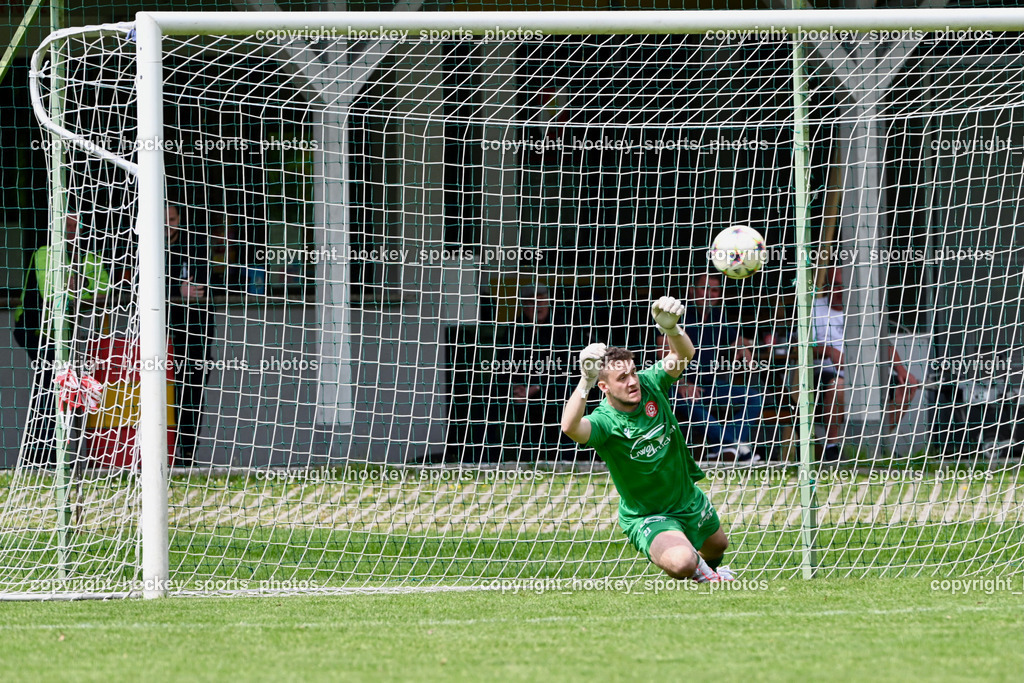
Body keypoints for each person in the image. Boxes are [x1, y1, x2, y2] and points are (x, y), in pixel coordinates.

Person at [560, 296, 734, 583]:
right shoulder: (606, 421)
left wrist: (672, 330)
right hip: (648, 515)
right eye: (621, 378)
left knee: (717, 546)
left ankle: (708, 570)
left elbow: (683, 356)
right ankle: (701, 571)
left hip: (686, 498)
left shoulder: (650, 383)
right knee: (682, 564)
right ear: (604, 386)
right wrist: (584, 381)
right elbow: (570, 427)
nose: (632, 381)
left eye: (632, 373)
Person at [14, 215, 110, 465]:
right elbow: (52, 291)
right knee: (48, 389)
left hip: (70, 336)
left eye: (75, 224)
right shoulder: (45, 253)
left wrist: (82, 283)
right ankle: (41, 456)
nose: (71, 229)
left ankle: (64, 454)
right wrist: (77, 284)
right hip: (37, 332)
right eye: (66, 223)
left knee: (70, 389)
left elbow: (105, 288)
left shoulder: (91, 257)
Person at [674, 273, 763, 462]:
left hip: (708, 386)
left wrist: (742, 345)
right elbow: (662, 352)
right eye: (704, 289)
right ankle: (736, 446)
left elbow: (735, 338)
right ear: (692, 291)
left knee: (754, 397)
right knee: (690, 400)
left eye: (714, 290)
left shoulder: (716, 316)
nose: (709, 294)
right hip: (677, 387)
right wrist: (681, 381)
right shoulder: (678, 315)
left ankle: (723, 449)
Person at [491, 285, 571, 461]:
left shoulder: (562, 328)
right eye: (532, 302)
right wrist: (515, 387)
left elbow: (566, 366)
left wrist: (535, 387)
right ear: (524, 306)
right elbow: (503, 363)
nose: (538, 306)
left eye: (542, 300)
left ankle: (560, 460)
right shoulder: (515, 329)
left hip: (553, 391)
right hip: (521, 393)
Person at [166, 204, 211, 468]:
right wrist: (176, 291)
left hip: (196, 335)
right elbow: (139, 285)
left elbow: (206, 287)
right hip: (163, 337)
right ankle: (165, 452)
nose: (168, 224)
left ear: (179, 220)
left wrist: (192, 292)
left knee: (192, 394)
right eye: (163, 220)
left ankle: (187, 453)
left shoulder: (194, 248)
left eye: (171, 219)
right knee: (164, 393)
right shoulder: (150, 249)